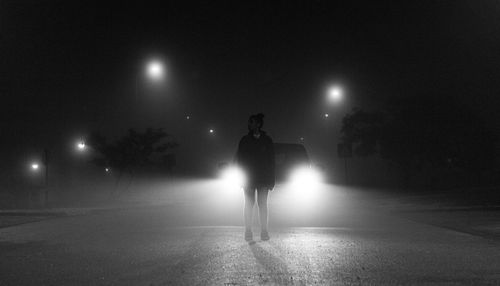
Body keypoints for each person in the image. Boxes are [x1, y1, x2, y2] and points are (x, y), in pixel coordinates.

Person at [235, 113, 275, 241]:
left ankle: (264, 231)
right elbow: (240, 160)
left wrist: (271, 179)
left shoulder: (267, 140)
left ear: (258, 124)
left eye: (251, 122)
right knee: (249, 204)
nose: (249, 124)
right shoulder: (245, 140)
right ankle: (248, 231)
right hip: (249, 177)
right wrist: (241, 177)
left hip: (263, 177)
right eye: (249, 122)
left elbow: (271, 161)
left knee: (262, 204)